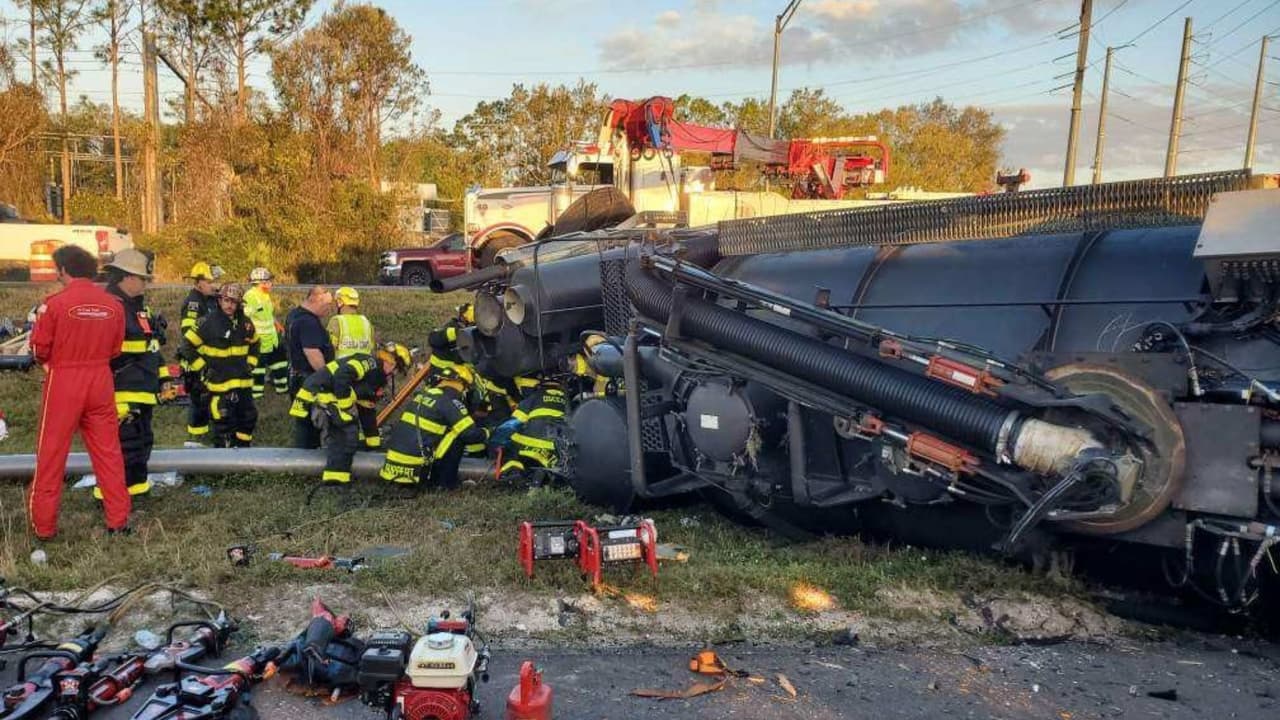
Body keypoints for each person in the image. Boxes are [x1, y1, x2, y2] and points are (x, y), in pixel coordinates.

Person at [29, 245, 131, 539]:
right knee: (109, 453)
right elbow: (116, 348)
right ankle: (118, 521)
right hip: (100, 379)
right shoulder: (113, 305)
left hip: (64, 380)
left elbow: (38, 348)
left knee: (51, 455)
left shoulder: (54, 304)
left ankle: (44, 527)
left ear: (63, 269)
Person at [290, 342, 411, 484]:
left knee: (309, 437)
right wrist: (345, 406)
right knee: (345, 430)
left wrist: (373, 443)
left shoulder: (375, 378)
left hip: (320, 395)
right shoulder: (369, 363)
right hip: (318, 394)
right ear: (392, 363)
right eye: (397, 371)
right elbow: (342, 375)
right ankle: (335, 479)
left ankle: (300, 470)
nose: (394, 375)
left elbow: (367, 411)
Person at [99, 249, 162, 501]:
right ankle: (109, 497)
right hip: (121, 390)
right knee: (124, 446)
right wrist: (147, 340)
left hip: (141, 387)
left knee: (141, 442)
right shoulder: (111, 307)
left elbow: (149, 347)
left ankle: (136, 491)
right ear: (126, 277)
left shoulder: (135, 306)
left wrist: (154, 335)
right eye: (142, 279)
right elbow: (114, 350)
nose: (145, 284)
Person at [378, 364, 486, 489]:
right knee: (456, 434)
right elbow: (470, 434)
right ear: (463, 385)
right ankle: (445, 484)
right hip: (417, 473)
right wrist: (488, 432)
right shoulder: (450, 401)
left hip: (392, 469)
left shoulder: (423, 395)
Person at [179, 284, 258, 448]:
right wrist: (202, 367)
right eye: (226, 300)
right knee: (222, 419)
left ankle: (243, 451)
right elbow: (186, 345)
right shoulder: (207, 322)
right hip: (218, 383)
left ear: (239, 304)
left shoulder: (246, 323)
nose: (229, 305)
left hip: (243, 382)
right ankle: (222, 457)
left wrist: (251, 363)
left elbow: (256, 343)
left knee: (248, 417)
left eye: (234, 302)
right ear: (219, 300)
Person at [490, 375, 568, 488]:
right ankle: (542, 476)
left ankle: (513, 472)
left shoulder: (534, 397)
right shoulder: (568, 400)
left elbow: (514, 423)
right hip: (554, 449)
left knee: (509, 447)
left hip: (527, 446)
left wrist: (496, 438)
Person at [178, 262, 222, 443]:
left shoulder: (211, 299)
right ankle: (195, 442)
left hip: (209, 359)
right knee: (199, 401)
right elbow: (188, 334)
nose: (214, 285)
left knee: (211, 398)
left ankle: (209, 435)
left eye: (215, 281)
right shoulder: (193, 303)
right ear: (198, 283)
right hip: (195, 361)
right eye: (210, 282)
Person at [286, 286, 335, 448]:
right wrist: (328, 378)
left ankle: (303, 460)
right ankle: (308, 462)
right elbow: (313, 354)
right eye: (327, 305)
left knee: (302, 420)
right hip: (310, 380)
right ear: (317, 299)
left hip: (296, 377)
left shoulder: (294, 315)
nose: (329, 309)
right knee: (311, 424)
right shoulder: (309, 322)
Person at [243, 267, 288, 398]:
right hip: (259, 340)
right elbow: (245, 316)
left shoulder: (265, 295)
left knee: (280, 362)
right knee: (258, 368)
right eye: (268, 281)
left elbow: (268, 313)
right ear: (261, 282)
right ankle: (257, 395)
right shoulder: (250, 296)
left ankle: (282, 389)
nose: (271, 284)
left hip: (272, 338)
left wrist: (277, 323)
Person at [424, 303, 473, 381]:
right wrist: (454, 333)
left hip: (463, 379)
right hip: (439, 376)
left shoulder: (478, 336)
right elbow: (433, 339)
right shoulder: (452, 327)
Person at [328, 287, 375, 359]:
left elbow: (329, 349)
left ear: (340, 302)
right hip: (363, 368)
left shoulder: (336, 321)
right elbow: (372, 348)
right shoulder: (366, 322)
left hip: (342, 368)